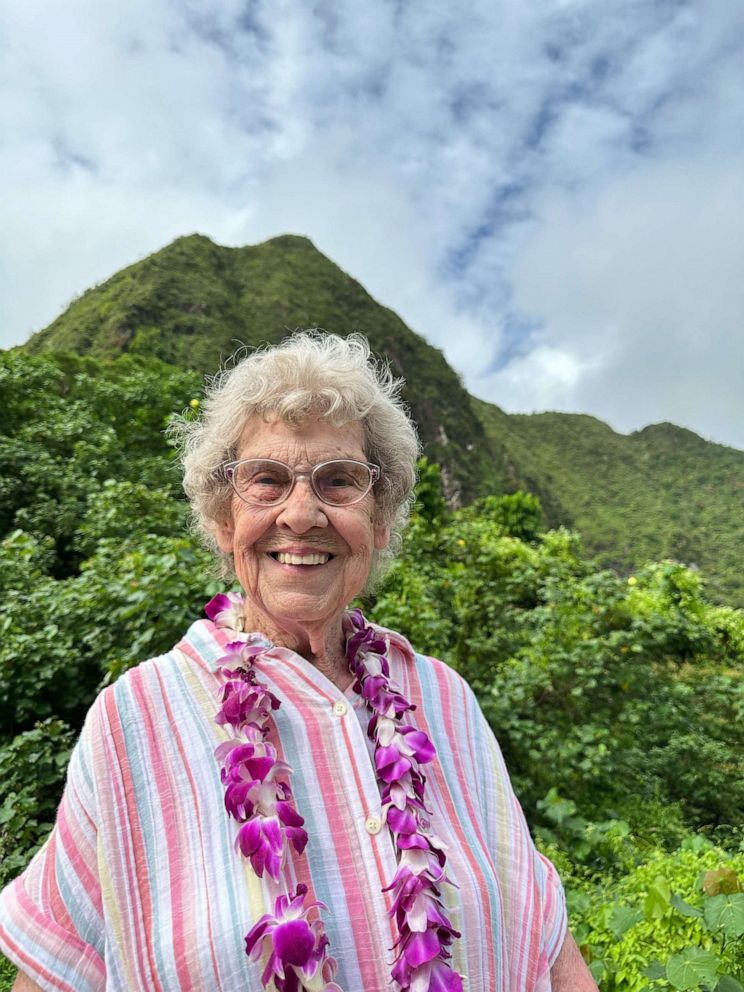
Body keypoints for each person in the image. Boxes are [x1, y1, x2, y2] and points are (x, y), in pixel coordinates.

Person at [1, 332, 597, 992]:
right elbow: (61, 970)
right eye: (267, 480)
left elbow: (550, 948)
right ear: (226, 521)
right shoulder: (133, 719)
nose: (302, 513)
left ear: (379, 521)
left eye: (340, 481)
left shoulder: (442, 696)